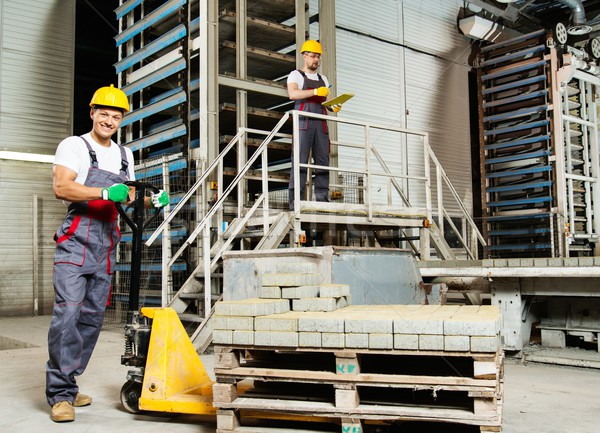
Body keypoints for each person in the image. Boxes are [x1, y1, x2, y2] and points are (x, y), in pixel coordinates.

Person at [46, 84, 169, 423]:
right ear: (92, 112)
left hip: (106, 243)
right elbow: (62, 187)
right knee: (68, 315)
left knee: (91, 319)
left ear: (121, 119)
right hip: (76, 241)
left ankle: (68, 383)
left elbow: (125, 195)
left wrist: (149, 199)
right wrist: (102, 190)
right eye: (104, 113)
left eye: (116, 116)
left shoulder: (124, 155)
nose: (109, 120)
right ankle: (59, 394)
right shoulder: (74, 145)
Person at [287, 39, 341, 209]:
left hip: (321, 124)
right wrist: (315, 91)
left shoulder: (323, 78)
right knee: (300, 162)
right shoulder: (295, 75)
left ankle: (322, 203)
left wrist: (335, 105)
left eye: (318, 57)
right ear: (304, 56)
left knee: (322, 163)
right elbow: (293, 94)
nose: (315, 60)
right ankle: (296, 203)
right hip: (304, 124)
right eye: (312, 56)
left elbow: (328, 102)